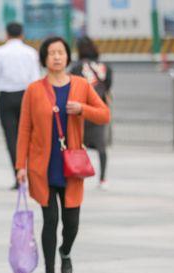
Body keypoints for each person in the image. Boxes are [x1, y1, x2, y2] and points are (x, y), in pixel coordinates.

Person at [15, 37, 110, 273]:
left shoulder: (80, 85)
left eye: (61, 53)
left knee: (72, 223)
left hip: (72, 167)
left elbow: (104, 114)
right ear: (44, 59)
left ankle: (65, 251)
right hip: (42, 166)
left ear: (68, 57)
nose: (57, 57)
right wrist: (20, 166)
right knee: (50, 220)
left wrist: (82, 109)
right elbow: (24, 129)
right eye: (51, 53)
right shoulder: (34, 90)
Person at [0, 22, 41, 190]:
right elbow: (36, 79)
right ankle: (31, 174)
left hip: (6, 98)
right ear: (22, 35)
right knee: (29, 137)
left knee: (11, 138)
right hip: (26, 97)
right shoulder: (31, 53)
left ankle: (18, 176)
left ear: (6, 35)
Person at [70, 36, 113, 190]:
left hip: (81, 109)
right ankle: (102, 179)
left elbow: (71, 85)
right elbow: (108, 85)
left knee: (77, 142)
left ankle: (77, 173)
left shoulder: (77, 67)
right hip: (99, 109)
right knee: (101, 145)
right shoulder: (105, 66)